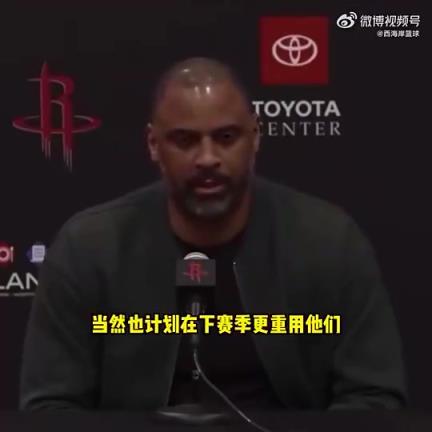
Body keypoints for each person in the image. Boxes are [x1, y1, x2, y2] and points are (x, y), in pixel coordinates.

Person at [20, 57, 407, 411]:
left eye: (225, 138)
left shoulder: (329, 241)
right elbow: (51, 406)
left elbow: (374, 396)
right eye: (185, 140)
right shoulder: (88, 249)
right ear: (154, 145)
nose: (207, 158)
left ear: (255, 136)